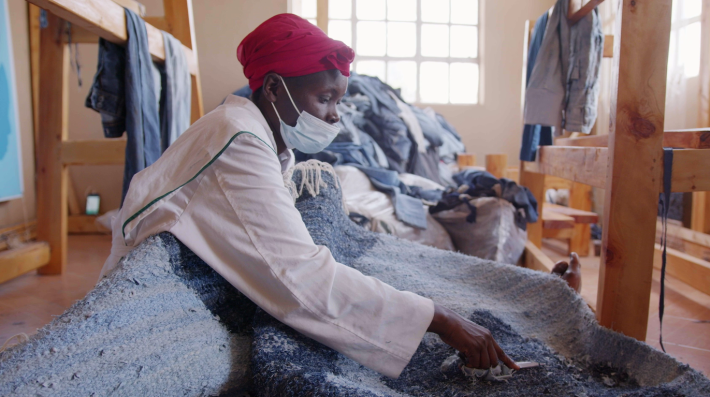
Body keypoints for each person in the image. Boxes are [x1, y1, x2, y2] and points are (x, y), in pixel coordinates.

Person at [100, 13, 519, 378]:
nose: (336, 114)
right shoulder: (238, 138)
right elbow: (301, 279)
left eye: (339, 99)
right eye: (325, 97)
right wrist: (438, 318)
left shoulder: (263, 138)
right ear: (274, 90)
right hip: (156, 292)